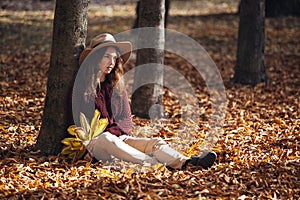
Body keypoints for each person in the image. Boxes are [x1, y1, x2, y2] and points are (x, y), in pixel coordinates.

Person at [73, 33, 217, 170]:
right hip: (97, 147)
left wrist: (114, 134)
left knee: (155, 143)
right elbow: (77, 122)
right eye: (106, 57)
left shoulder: (116, 87)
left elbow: (126, 121)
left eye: (115, 58)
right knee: (106, 138)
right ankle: (154, 165)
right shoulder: (82, 89)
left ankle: (187, 163)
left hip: (120, 139)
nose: (112, 62)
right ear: (96, 58)